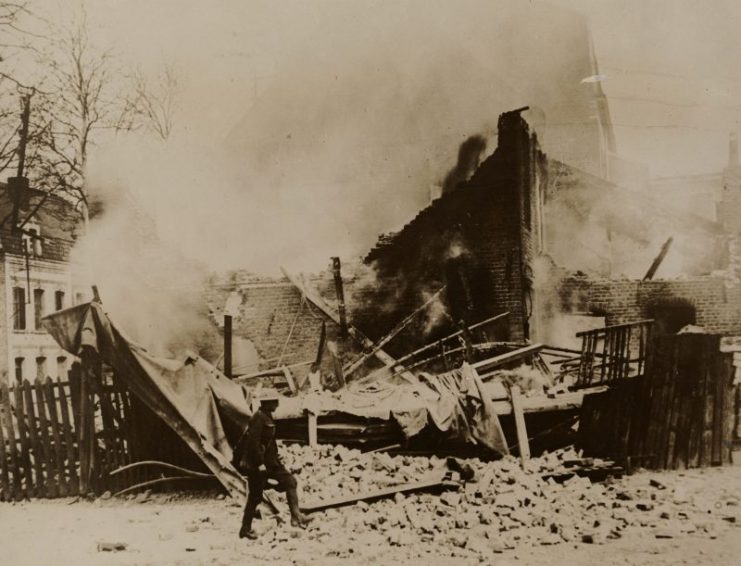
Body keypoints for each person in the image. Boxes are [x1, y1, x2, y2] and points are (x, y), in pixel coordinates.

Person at [234, 390, 313, 539]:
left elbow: (268, 441)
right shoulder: (258, 418)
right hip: (259, 465)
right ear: (266, 403)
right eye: (274, 401)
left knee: (291, 482)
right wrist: (259, 464)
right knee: (255, 497)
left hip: (272, 462)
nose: (277, 403)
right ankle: (245, 529)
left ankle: (296, 517)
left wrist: (276, 455)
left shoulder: (267, 416)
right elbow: (253, 443)